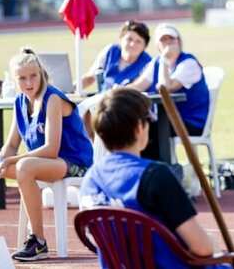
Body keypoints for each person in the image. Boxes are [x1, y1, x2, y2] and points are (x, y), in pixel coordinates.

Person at [0, 47, 93, 261]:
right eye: (22, 78)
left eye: (33, 76)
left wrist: (12, 160)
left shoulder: (52, 98)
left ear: (41, 74)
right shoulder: (20, 101)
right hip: (42, 163)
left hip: (74, 162)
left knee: (24, 167)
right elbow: (11, 145)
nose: (29, 82)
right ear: (14, 80)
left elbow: (51, 149)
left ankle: (39, 242)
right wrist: (0, 161)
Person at [80, 88, 219, 267]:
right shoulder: (155, 175)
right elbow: (202, 249)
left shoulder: (90, 180)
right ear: (139, 128)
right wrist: (212, 242)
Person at [129, 23, 210, 160]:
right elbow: (138, 85)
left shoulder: (188, 63)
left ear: (179, 41)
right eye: (163, 40)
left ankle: (162, 172)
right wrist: (116, 91)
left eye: (171, 39)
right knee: (136, 128)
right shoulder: (157, 63)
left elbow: (166, 87)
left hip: (190, 122)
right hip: (165, 119)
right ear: (157, 45)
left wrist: (165, 60)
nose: (168, 43)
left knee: (150, 131)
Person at [79, 20, 152, 139]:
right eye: (129, 39)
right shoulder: (110, 51)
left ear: (144, 46)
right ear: (121, 39)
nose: (132, 44)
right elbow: (90, 77)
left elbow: (139, 88)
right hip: (104, 103)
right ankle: (88, 152)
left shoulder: (148, 63)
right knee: (85, 112)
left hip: (129, 108)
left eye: (138, 41)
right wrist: (72, 86)